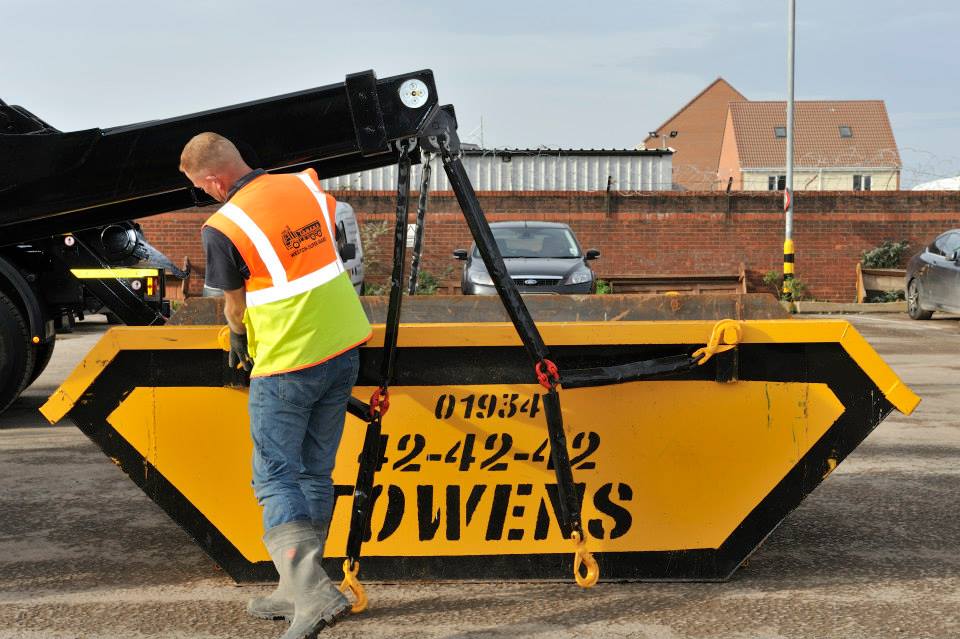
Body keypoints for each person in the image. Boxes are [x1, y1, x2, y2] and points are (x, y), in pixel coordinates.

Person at [180, 132, 372, 639]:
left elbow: (235, 305)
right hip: (342, 347)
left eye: (202, 188)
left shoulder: (224, 225)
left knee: (274, 477)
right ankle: (297, 585)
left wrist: (238, 339)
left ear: (215, 180)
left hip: (287, 361)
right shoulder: (305, 187)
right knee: (313, 472)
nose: (206, 197)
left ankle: (311, 593)